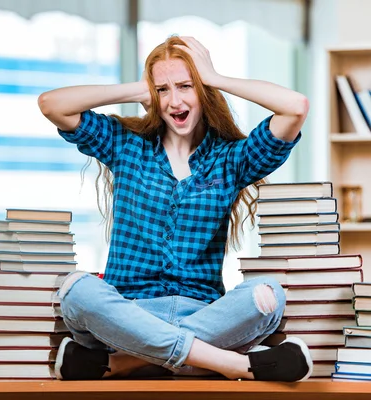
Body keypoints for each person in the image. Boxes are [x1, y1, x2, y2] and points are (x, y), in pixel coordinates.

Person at [37, 35, 311, 382]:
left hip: (200, 313)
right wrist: (137, 89)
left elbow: (296, 106)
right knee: (77, 289)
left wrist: (215, 78)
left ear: (202, 91)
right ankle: (231, 364)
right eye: (163, 90)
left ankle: (129, 362)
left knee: (268, 294)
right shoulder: (126, 145)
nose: (174, 100)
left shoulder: (230, 160)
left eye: (186, 86)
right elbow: (52, 104)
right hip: (127, 313)